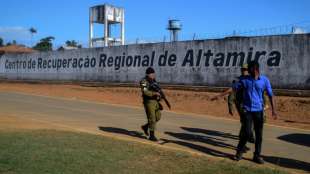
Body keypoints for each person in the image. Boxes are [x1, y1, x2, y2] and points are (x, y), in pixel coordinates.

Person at [232, 60, 277, 164]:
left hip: (259, 112)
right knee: (247, 133)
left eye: (249, 69)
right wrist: (238, 102)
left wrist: (274, 110)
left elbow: (271, 95)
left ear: (255, 69)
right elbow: (234, 89)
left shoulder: (265, 80)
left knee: (259, 135)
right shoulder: (244, 80)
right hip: (247, 111)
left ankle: (257, 156)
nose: (247, 71)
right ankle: (239, 151)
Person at [213, 64, 255, 147]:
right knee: (245, 121)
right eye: (243, 69)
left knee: (249, 121)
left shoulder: (252, 79)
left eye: (246, 69)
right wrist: (228, 104)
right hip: (241, 104)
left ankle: (246, 135)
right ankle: (246, 138)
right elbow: (231, 93)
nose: (244, 71)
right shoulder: (238, 80)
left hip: (251, 103)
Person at [140, 67, 162, 141]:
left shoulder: (154, 81)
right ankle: (152, 136)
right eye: (151, 74)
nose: (153, 75)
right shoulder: (143, 81)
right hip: (149, 101)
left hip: (155, 101)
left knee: (158, 116)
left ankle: (146, 126)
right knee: (152, 118)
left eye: (153, 73)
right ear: (148, 74)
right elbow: (145, 92)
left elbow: (158, 89)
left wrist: (160, 97)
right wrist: (154, 93)